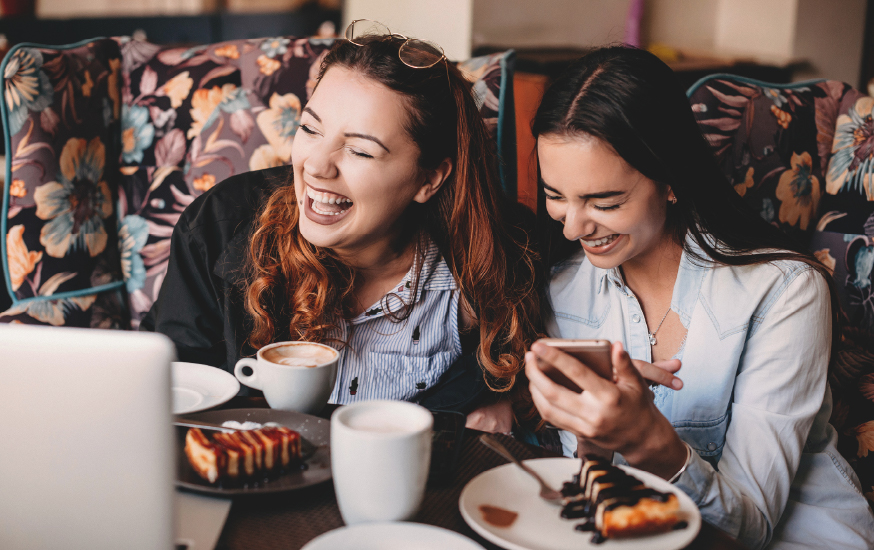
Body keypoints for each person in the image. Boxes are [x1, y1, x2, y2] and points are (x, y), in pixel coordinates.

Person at [525, 46, 874, 549]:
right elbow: (596, 495)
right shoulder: (561, 291)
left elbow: (750, 528)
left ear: (670, 181)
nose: (575, 226)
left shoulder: (784, 292)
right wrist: (594, 443)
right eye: (555, 195)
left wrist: (649, 441)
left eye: (605, 202)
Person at [141, 25, 542, 429]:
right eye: (310, 129)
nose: (316, 166)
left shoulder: (508, 255)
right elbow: (174, 388)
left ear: (429, 180)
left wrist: (508, 398)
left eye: (360, 150)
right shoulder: (218, 227)